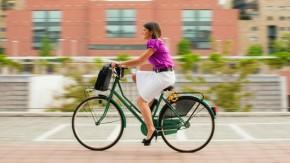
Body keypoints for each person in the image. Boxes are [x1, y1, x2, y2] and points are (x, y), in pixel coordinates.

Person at [112, 22, 175, 146]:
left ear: (151, 32)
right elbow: (145, 62)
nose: (142, 32)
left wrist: (120, 64)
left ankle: (151, 129)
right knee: (136, 76)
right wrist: (130, 67)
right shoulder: (157, 42)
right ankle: (151, 102)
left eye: (144, 30)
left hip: (163, 76)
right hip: (163, 74)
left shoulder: (153, 42)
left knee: (140, 102)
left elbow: (140, 60)